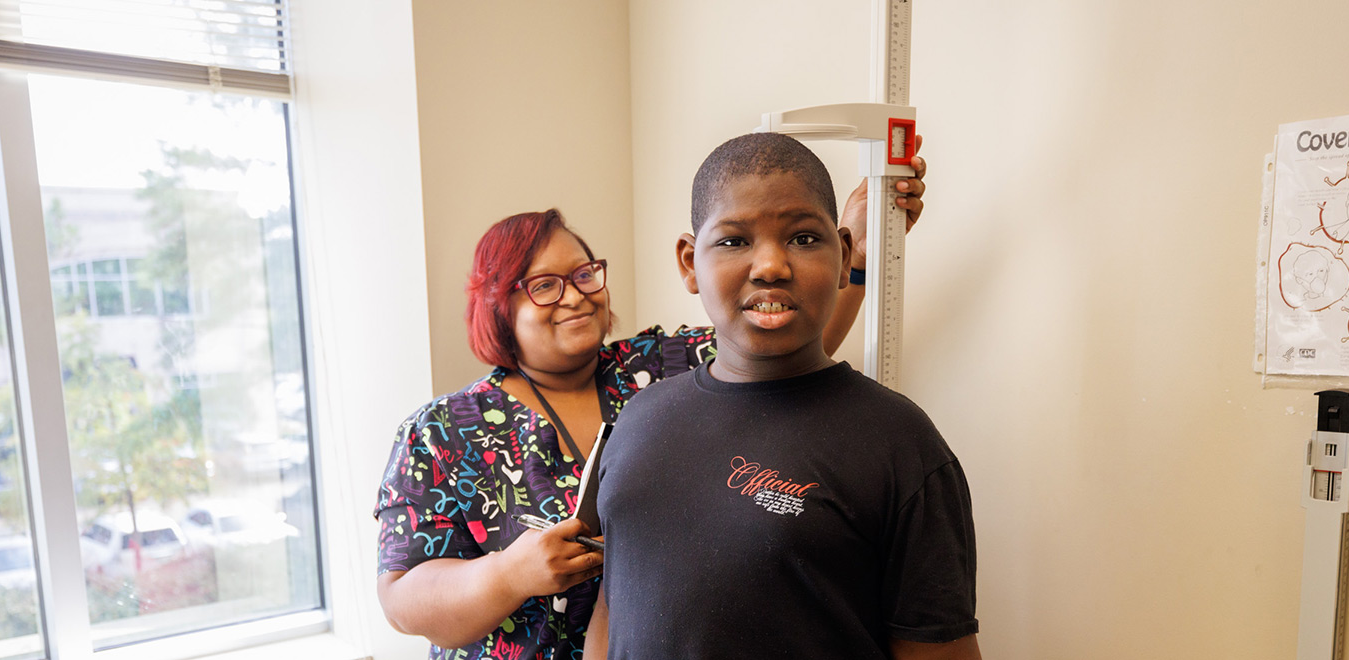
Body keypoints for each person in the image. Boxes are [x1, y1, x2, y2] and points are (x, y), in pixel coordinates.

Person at [373, 149, 929, 660]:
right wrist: (510, 574)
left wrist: (854, 242)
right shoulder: (444, 431)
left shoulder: (659, 369)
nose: (575, 295)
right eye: (544, 285)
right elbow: (402, 597)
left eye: (585, 274)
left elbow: (780, 328)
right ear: (497, 305)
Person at [583, 132, 980, 659]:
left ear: (844, 257)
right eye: (733, 241)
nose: (770, 265)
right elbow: (614, 610)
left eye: (802, 238)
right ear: (688, 263)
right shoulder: (640, 418)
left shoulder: (899, 445)